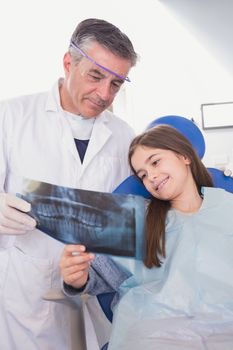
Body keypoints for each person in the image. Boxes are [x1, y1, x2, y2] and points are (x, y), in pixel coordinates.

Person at [0, 18, 137, 350]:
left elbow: (127, 218)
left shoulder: (122, 135)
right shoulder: (12, 116)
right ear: (68, 63)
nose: (105, 94)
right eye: (95, 76)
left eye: (116, 84)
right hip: (27, 290)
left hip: (94, 288)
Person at [61, 125, 233, 350]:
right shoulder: (138, 219)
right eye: (142, 175)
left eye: (155, 162)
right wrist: (75, 279)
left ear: (184, 156)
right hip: (157, 335)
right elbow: (96, 269)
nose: (151, 176)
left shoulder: (226, 207)